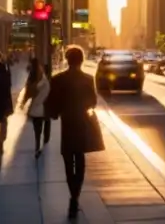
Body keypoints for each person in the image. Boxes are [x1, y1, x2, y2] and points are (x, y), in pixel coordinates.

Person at [45, 46, 104, 219]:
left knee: (68, 159)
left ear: (66, 59)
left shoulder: (58, 79)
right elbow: (93, 102)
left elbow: (52, 104)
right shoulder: (88, 78)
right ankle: (75, 196)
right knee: (80, 159)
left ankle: (72, 193)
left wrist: (55, 113)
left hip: (67, 123)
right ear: (82, 60)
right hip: (82, 123)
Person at [21, 59, 52, 157]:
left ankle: (38, 144)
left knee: (37, 129)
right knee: (45, 124)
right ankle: (44, 141)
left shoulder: (32, 80)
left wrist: (23, 102)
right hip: (45, 107)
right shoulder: (45, 80)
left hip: (36, 108)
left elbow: (28, 92)